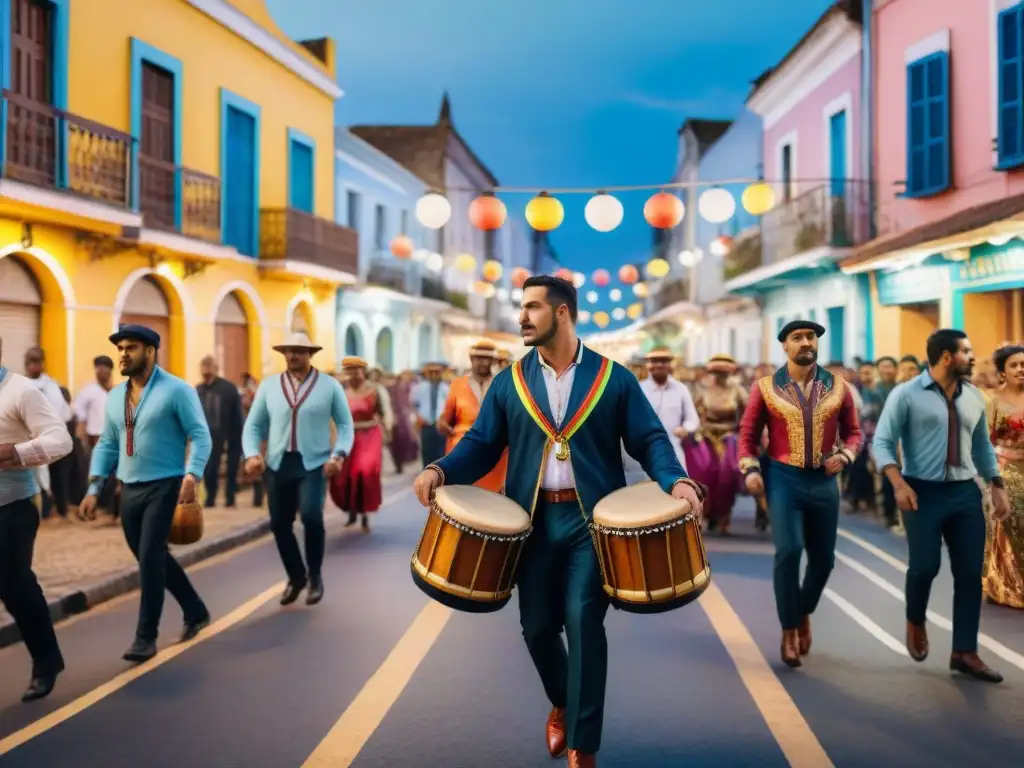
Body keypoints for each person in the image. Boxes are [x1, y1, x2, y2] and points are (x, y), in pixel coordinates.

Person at [413, 275, 702, 768]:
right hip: (532, 521)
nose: (521, 317)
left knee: (584, 624)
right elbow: (482, 443)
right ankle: (563, 702)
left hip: (591, 523)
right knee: (537, 628)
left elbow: (650, 438)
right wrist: (441, 468)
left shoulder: (614, 379)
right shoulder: (510, 382)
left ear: (562, 313)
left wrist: (676, 480)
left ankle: (583, 745)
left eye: (531, 308)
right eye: (521, 308)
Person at [872, 329, 1010, 683]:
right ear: (947, 356)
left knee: (969, 575)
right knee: (924, 567)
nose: (973, 356)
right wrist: (898, 484)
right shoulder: (906, 395)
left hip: (964, 492)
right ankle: (915, 618)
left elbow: (980, 447)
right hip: (920, 491)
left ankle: (965, 652)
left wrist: (996, 486)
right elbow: (883, 443)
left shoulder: (975, 397)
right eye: (967, 351)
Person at [80, 325, 213, 663]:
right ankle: (196, 610)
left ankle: (145, 637)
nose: (123, 354)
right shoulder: (115, 397)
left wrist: (192, 474)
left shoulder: (177, 390)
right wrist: (95, 488)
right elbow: (108, 444)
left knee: (151, 556)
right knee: (151, 557)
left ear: (151, 351)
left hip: (166, 485)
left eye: (132, 347)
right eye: (121, 348)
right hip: (129, 489)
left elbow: (200, 435)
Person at [737, 320, 862, 668]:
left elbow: (854, 432)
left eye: (811, 337)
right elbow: (747, 433)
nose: (806, 342)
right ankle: (789, 629)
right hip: (783, 478)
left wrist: (845, 455)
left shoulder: (839, 387)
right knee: (789, 551)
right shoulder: (764, 387)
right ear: (785, 346)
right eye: (798, 338)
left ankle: (803, 610)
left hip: (824, 481)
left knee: (824, 560)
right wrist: (749, 469)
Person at [242, 332, 354, 606]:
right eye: (289, 351)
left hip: (313, 463)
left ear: (310, 354)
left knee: (312, 516)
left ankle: (315, 576)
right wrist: (253, 454)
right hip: (278, 464)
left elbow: (344, 425)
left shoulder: (329, 386)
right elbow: (254, 425)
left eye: (299, 351)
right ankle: (296, 576)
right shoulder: (268, 386)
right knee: (279, 524)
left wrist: (339, 454)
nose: (293, 355)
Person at [0, 336, 73, 701]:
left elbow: (62, 440)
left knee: (16, 586)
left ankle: (46, 662)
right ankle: (48, 659)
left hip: (13, 507)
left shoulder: (20, 391)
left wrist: (15, 452)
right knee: (12, 591)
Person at [684, 353, 746, 535]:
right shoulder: (701, 390)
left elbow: (748, 415)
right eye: (717, 373)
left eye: (724, 373)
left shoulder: (737, 390)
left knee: (729, 474)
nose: (720, 377)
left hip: (729, 437)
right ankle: (701, 514)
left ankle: (724, 516)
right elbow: (690, 414)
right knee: (704, 473)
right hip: (705, 436)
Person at [982, 344, 1024, 609]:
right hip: (1006, 471)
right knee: (1013, 525)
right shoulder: (991, 400)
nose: (1021, 369)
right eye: (1015, 365)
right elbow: (983, 441)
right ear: (1002, 372)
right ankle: (1008, 586)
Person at [437, 339, 508, 492]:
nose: (482, 363)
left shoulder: (502, 383)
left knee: (491, 500)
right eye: (479, 359)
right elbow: (447, 415)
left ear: (492, 361)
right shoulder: (457, 384)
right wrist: (442, 422)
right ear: (471, 359)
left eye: (487, 359)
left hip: (494, 447)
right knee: (462, 500)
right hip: (461, 444)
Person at [329, 356, 391, 532]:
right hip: (347, 436)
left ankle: (364, 516)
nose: (352, 374)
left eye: (355, 370)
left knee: (364, 473)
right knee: (346, 476)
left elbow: (384, 412)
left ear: (362, 371)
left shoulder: (376, 390)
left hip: (370, 435)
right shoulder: (341, 392)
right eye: (348, 370)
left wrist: (387, 429)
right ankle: (351, 514)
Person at [411, 362, 449, 467]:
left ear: (441, 373)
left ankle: (441, 478)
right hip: (426, 424)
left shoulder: (447, 388)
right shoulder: (418, 388)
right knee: (427, 453)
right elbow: (414, 405)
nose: (433, 375)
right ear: (426, 374)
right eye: (431, 372)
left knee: (441, 454)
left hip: (440, 425)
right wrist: (418, 418)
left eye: (436, 372)